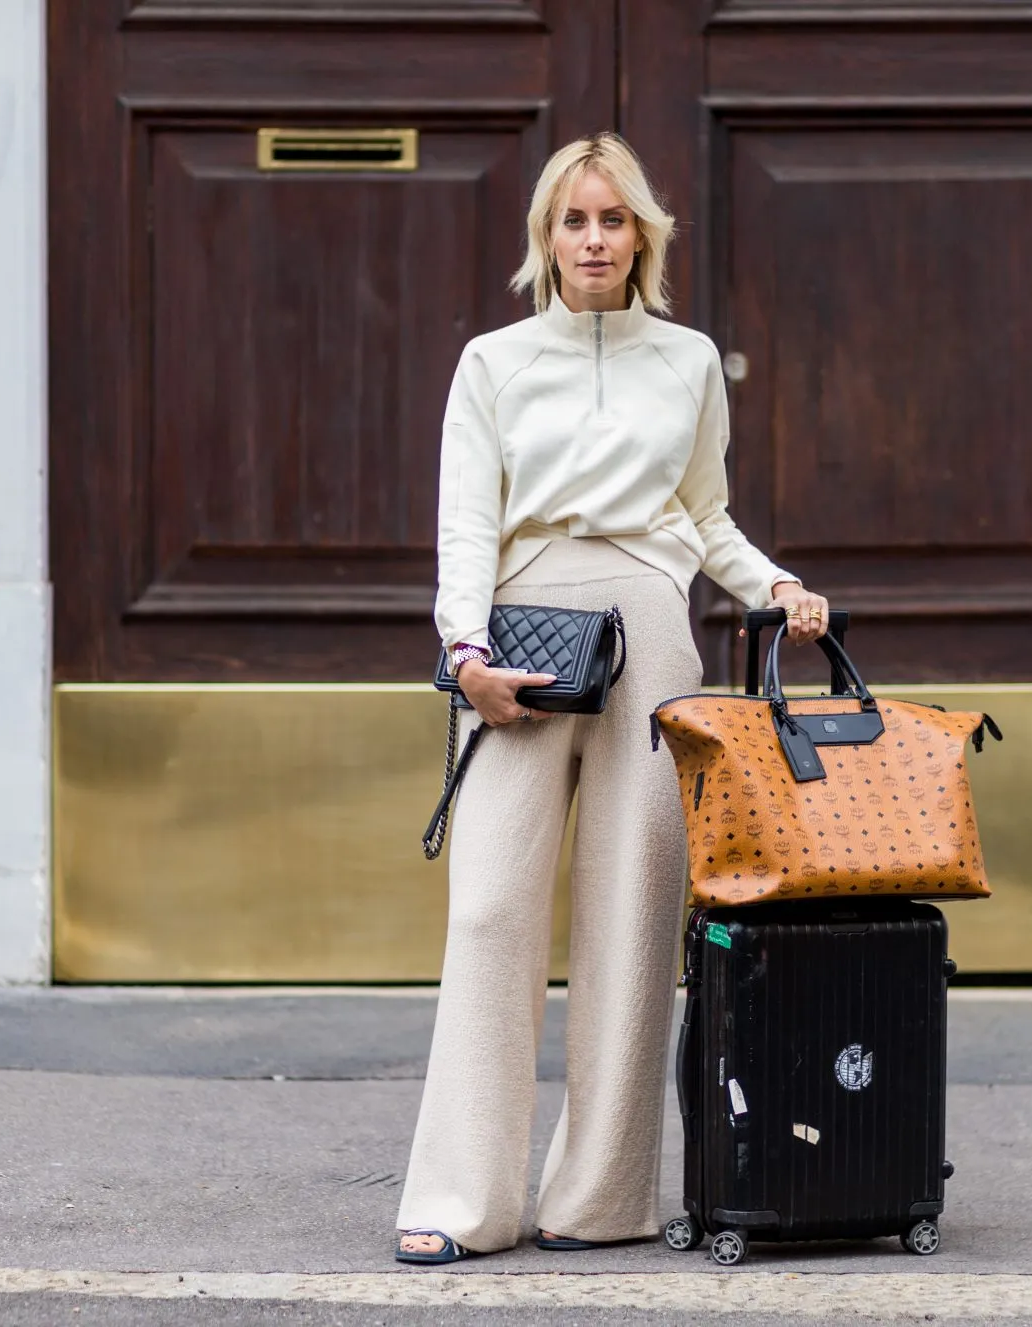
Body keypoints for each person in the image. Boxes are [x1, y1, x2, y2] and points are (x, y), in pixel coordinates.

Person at [395, 132, 829, 1264]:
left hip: (648, 632)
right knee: (490, 910)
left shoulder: (688, 362)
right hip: (519, 642)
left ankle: (598, 1195)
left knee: (633, 918)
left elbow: (704, 514)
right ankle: (461, 1197)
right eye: (574, 220)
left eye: (613, 219)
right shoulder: (492, 362)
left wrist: (775, 586)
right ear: (546, 237)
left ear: (643, 236)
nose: (593, 239)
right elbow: (464, 522)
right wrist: (462, 650)